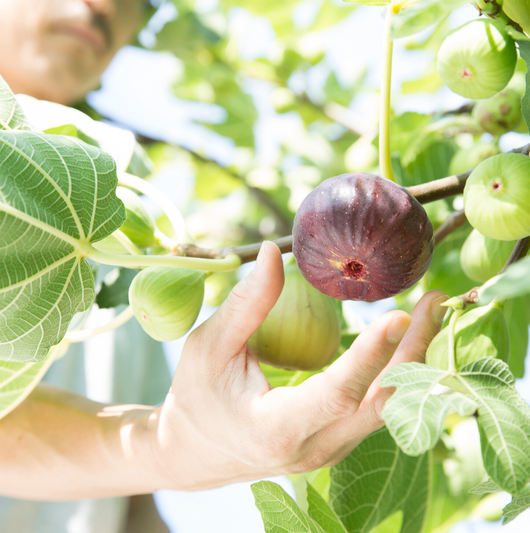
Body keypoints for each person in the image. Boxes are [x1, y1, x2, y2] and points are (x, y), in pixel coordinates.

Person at [0, 0, 449, 530]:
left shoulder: (126, 236)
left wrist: (174, 454)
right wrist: (171, 448)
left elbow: (130, 509)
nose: (104, 5)